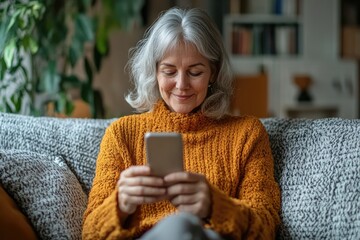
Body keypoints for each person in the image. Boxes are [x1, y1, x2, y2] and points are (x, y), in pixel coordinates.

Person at [82, 7, 280, 240]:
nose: (181, 84)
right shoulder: (121, 135)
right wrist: (121, 203)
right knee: (178, 227)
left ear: (213, 73)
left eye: (195, 72)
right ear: (154, 72)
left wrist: (215, 206)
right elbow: (90, 233)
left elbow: (266, 228)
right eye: (169, 71)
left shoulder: (247, 135)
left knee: (183, 226)